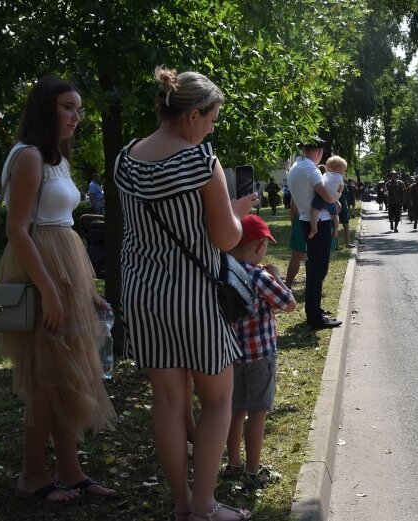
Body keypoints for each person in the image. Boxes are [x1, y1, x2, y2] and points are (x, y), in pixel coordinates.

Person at [115, 66, 254, 521]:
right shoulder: (201, 163)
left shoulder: (125, 159)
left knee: (168, 403)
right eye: (212, 117)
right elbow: (226, 239)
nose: (213, 126)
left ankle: (179, 505)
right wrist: (234, 212)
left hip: (143, 294)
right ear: (193, 115)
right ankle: (204, 506)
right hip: (194, 296)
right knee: (217, 400)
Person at [0, 76, 117, 502]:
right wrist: (48, 290)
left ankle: (70, 469)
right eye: (68, 107)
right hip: (41, 271)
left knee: (71, 375)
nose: (76, 117)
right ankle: (32, 474)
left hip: (66, 268)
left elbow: (63, 224)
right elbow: (17, 230)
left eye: (78, 109)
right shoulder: (28, 156)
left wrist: (84, 289)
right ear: (45, 108)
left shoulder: (56, 157)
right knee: (47, 378)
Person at [224, 215, 296, 489]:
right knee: (257, 412)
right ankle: (253, 470)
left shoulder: (224, 271)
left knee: (234, 410)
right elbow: (288, 304)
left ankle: (233, 462)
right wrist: (277, 276)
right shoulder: (258, 275)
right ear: (259, 247)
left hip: (231, 356)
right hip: (260, 356)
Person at [287, 138, 342, 330]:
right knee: (318, 270)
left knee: (314, 269)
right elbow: (327, 195)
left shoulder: (297, 166)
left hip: (307, 219)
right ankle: (315, 317)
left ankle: (315, 310)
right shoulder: (310, 169)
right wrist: (337, 198)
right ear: (319, 150)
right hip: (319, 222)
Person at [307, 155, 346, 241]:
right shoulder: (340, 178)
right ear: (339, 169)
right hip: (332, 202)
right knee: (335, 216)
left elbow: (320, 183)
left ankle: (314, 228)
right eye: (344, 170)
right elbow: (341, 188)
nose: (344, 173)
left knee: (314, 211)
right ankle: (335, 230)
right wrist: (339, 192)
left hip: (321, 198)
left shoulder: (324, 174)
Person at [285, 199, 307, 287]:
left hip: (301, 220)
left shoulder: (296, 185)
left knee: (296, 257)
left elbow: (293, 208)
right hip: (319, 220)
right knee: (316, 257)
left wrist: (294, 225)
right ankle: (313, 286)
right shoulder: (321, 185)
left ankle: (288, 285)